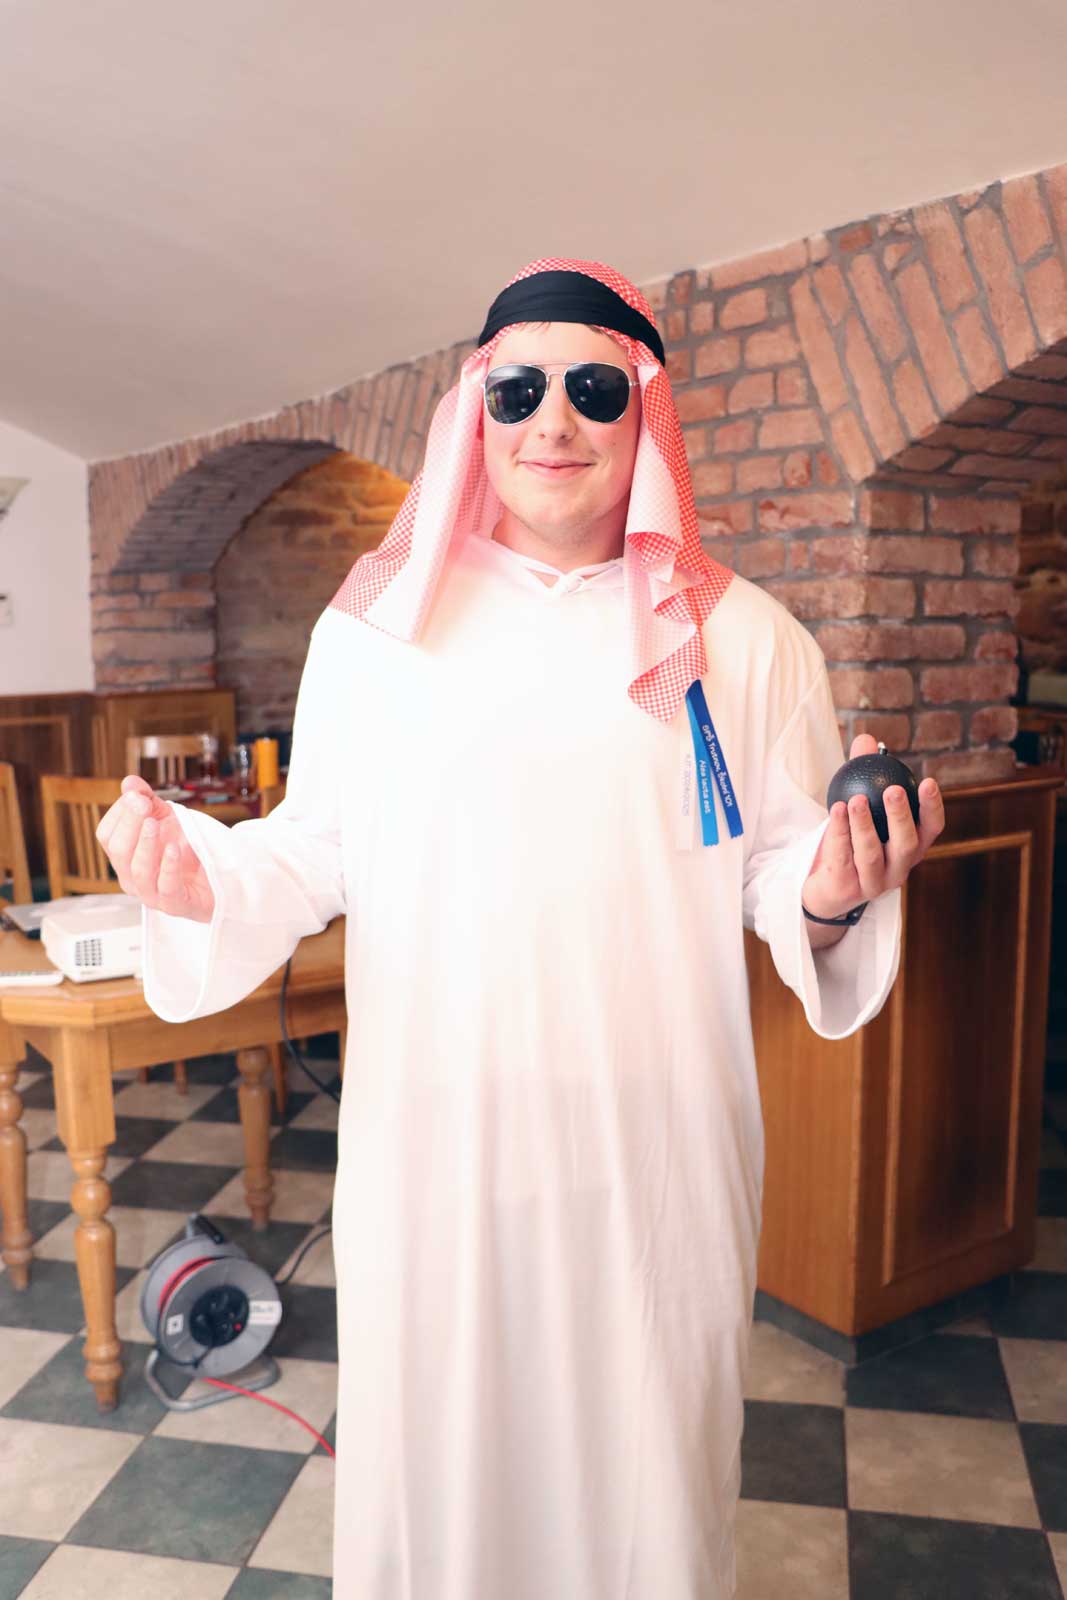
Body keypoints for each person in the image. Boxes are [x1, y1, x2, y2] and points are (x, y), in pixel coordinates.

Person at [96, 258, 944, 1599]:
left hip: (652, 1158)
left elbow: (780, 873)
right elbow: (314, 848)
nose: (554, 420)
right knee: (446, 1475)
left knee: (645, 1484)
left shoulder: (748, 641)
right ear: (476, 415)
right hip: (436, 1152)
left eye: (595, 388)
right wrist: (204, 881)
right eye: (520, 390)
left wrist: (838, 889)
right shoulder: (375, 633)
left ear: (645, 414)